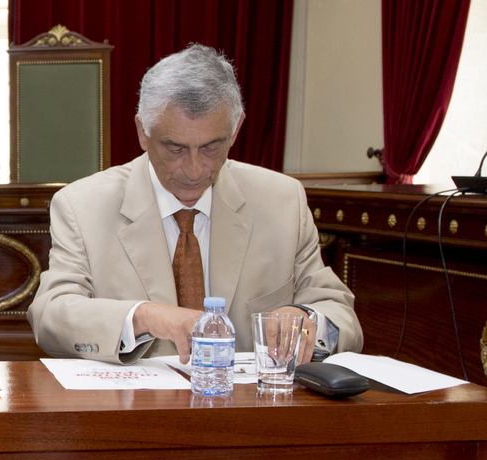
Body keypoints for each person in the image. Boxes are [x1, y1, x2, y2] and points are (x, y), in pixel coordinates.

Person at [27, 44, 361, 365]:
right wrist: (145, 316)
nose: (194, 170)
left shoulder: (282, 201)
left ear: (235, 130)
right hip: (135, 414)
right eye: (175, 149)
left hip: (252, 413)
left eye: (212, 148)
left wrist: (307, 319)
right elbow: (51, 316)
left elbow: (340, 314)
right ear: (143, 132)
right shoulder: (83, 205)